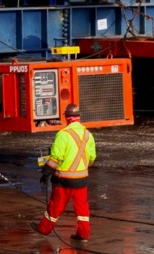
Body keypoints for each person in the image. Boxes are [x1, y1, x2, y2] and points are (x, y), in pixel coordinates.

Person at [35, 103, 95, 240]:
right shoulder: (88, 135)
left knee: (55, 206)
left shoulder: (63, 135)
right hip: (82, 180)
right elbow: (92, 158)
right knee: (82, 209)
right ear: (79, 117)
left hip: (64, 180)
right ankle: (83, 234)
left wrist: (45, 173)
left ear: (67, 118)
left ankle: (44, 229)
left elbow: (56, 157)